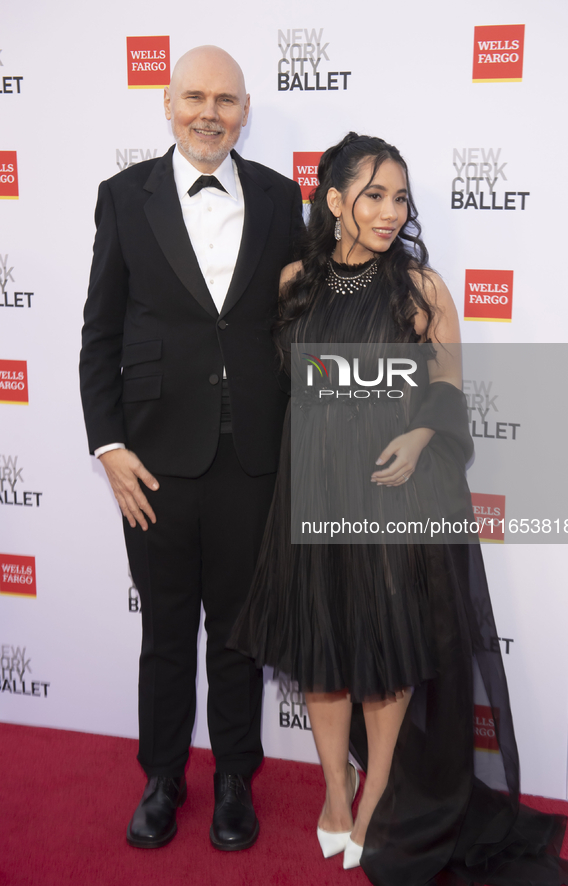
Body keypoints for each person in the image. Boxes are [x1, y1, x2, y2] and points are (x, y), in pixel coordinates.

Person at [229, 133, 568, 883]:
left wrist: (421, 431)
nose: (390, 212)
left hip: (391, 501)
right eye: (372, 195)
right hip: (311, 492)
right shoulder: (294, 280)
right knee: (321, 657)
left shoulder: (420, 290)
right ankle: (335, 791)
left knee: (384, 663)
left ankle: (375, 796)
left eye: (399, 197)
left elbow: (449, 392)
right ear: (332, 201)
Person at [79, 46, 303, 851]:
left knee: (241, 632)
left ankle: (237, 776)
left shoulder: (283, 199)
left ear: (246, 111)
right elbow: (99, 331)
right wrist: (107, 444)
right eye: (195, 97)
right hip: (155, 463)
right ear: (167, 104)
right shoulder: (123, 196)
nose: (210, 113)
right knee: (167, 630)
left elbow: (299, 322)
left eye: (227, 100)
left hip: (255, 460)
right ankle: (164, 776)